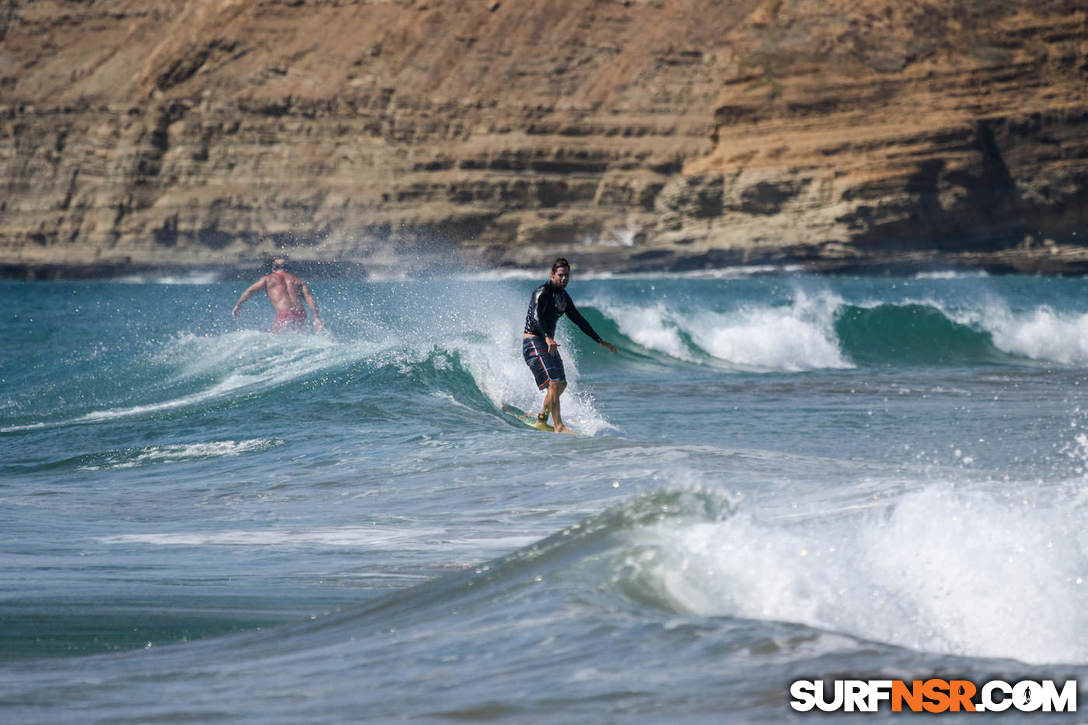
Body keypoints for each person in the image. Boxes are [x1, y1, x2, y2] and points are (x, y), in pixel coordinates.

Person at [523, 257, 616, 433]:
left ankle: (542, 419)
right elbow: (537, 318)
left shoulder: (563, 297)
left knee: (561, 384)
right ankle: (558, 426)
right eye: (561, 275)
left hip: (548, 342)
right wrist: (548, 337)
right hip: (533, 341)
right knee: (554, 383)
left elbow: (579, 320)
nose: (564, 278)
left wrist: (599, 340)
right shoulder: (541, 292)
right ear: (552, 275)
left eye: (567, 275)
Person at [232, 256, 324, 333]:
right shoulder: (297, 280)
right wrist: (316, 317)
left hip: (284, 315)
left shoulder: (268, 279)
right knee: (299, 336)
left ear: (273, 268)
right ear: (287, 268)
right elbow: (309, 297)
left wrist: (238, 305)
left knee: (272, 337)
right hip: (301, 313)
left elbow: (250, 291)